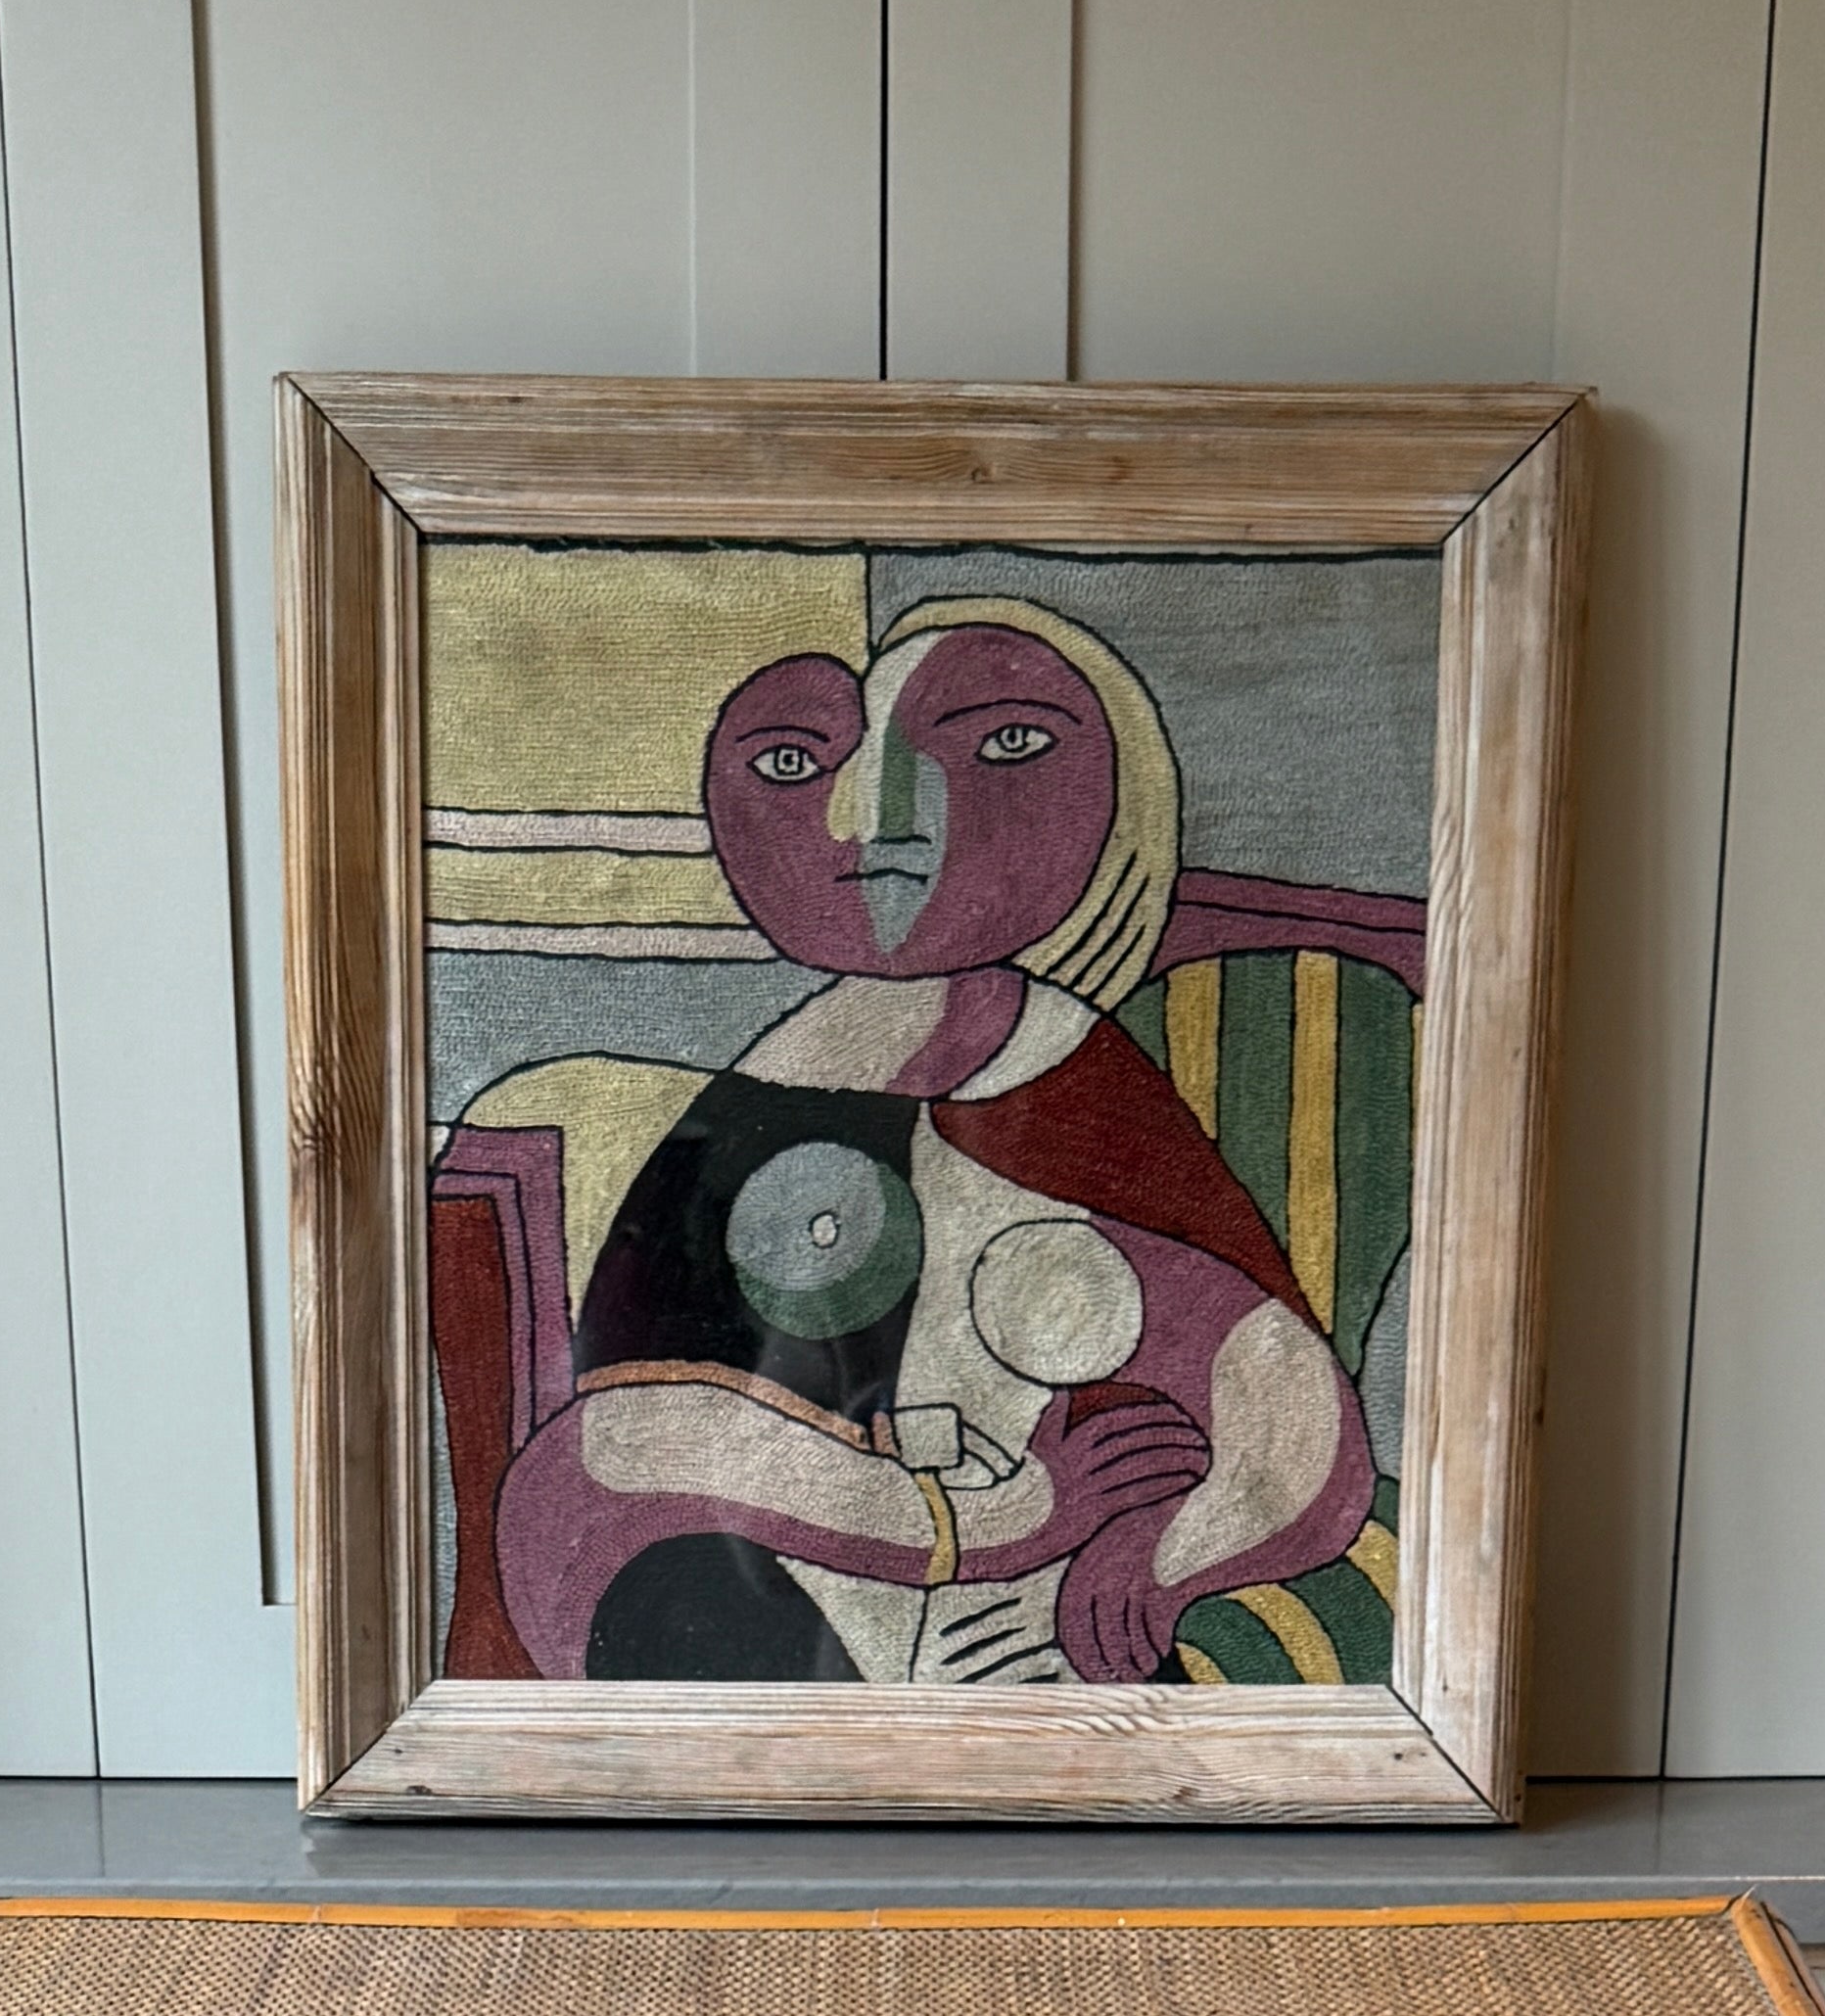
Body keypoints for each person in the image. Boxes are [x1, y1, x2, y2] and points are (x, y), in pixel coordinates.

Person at [485, 600, 1372, 1689]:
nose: (877, 822)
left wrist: (1165, 1556)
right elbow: (625, 1445)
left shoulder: (1077, 1085)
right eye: (793, 763)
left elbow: (1286, 1410)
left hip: (1032, 1633)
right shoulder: (772, 1091)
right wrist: (990, 1520)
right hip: (787, 1604)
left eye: (1005, 745)